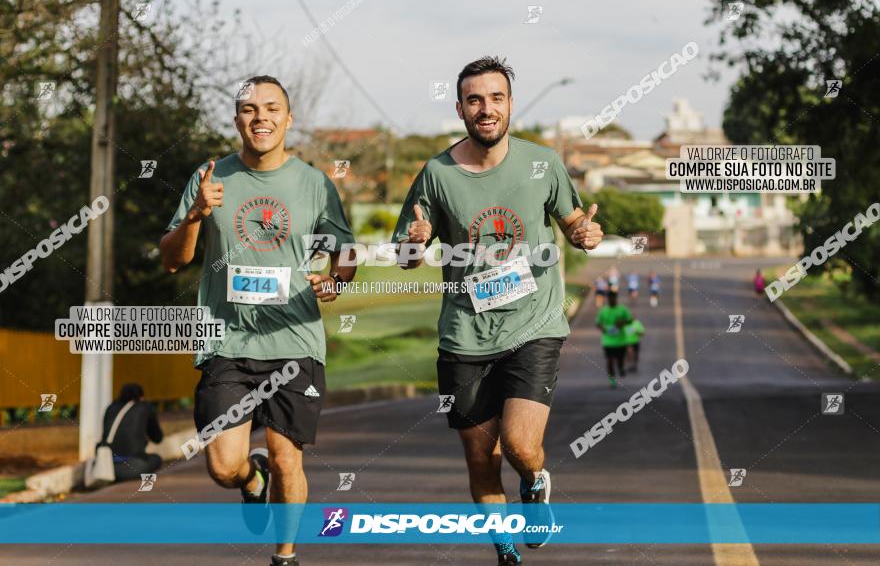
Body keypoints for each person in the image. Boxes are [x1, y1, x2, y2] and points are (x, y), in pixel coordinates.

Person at [393, 56, 603, 565]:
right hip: (465, 335)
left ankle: (534, 482)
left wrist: (583, 233)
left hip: (534, 324)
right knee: (478, 457)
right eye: (475, 100)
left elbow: (574, 220)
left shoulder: (542, 163)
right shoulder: (436, 174)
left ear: (510, 104)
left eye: (496, 98)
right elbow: (405, 257)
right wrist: (415, 242)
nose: (486, 109)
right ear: (461, 108)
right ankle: (506, 549)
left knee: (518, 444)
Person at [159, 75, 356, 566]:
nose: (260, 117)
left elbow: (346, 252)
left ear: (289, 120)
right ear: (236, 120)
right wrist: (196, 215)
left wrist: (338, 279)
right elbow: (171, 259)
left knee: (289, 456)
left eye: (271, 109)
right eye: (249, 109)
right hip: (227, 343)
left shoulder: (314, 184)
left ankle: (285, 556)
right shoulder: (210, 178)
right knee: (222, 466)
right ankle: (252, 479)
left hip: (295, 341)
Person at [100, 383, 163, 482]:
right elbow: (157, 438)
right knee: (156, 459)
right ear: (141, 397)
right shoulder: (144, 407)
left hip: (105, 467)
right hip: (134, 467)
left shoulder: (111, 407)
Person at [596, 290, 633, 388]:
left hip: (621, 341)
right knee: (610, 360)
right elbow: (598, 322)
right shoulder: (603, 310)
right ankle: (612, 380)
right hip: (608, 341)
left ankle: (621, 368)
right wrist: (602, 328)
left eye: (613, 298)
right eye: (610, 298)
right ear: (608, 299)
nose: (611, 300)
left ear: (616, 298)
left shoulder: (622, 310)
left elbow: (630, 320)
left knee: (620, 360)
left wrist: (623, 322)